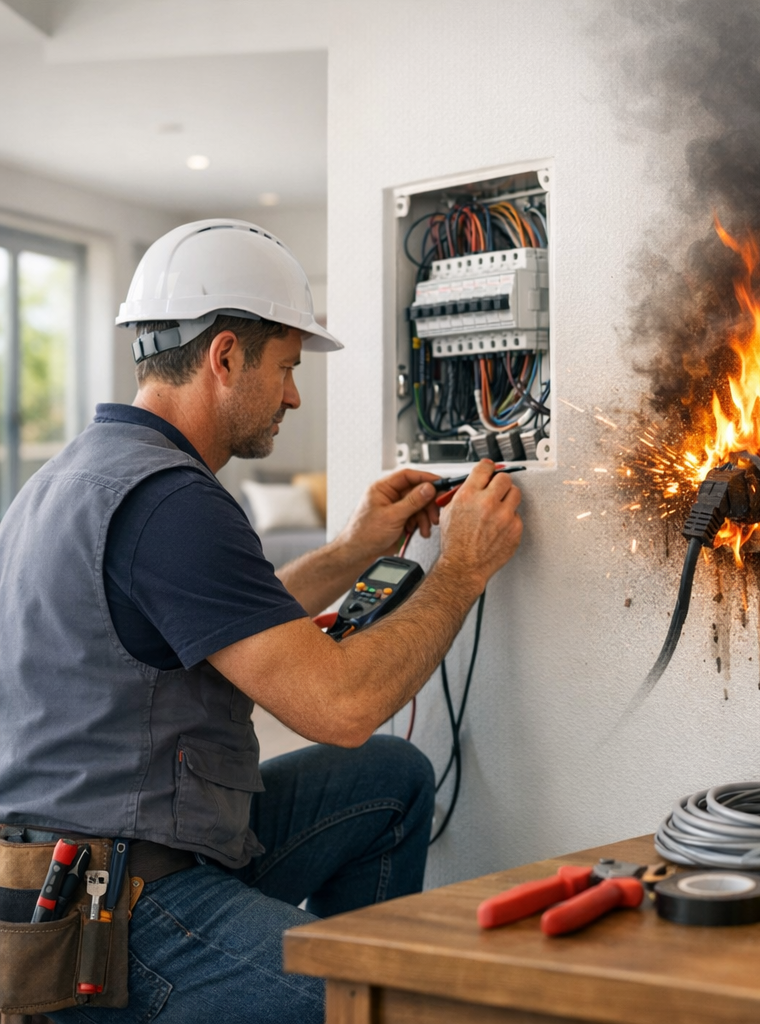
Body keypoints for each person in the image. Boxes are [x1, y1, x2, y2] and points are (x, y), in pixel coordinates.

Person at [0, 220, 523, 1022]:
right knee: (389, 1003)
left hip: (74, 867)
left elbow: (199, 614)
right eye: (285, 367)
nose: (293, 394)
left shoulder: (77, 476)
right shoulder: (173, 501)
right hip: (112, 918)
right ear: (224, 357)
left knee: (390, 780)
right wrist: (462, 569)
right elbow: (338, 709)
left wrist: (352, 549)